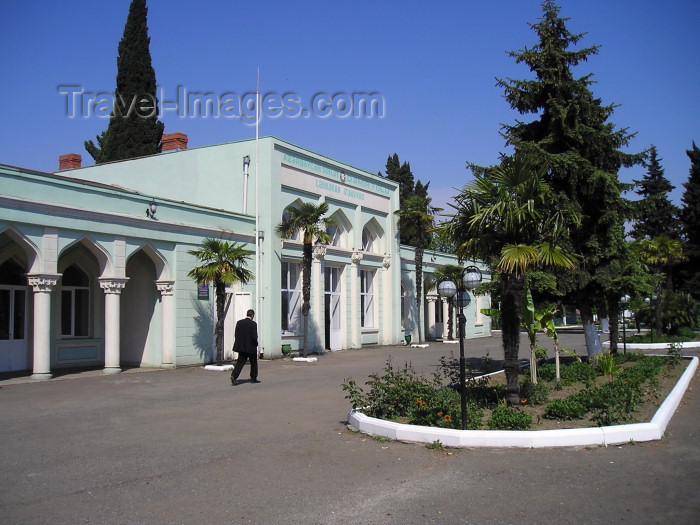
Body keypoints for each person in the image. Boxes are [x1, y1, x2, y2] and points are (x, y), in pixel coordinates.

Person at [230, 309, 260, 385]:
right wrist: (256, 343)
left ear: (247, 314)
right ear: (252, 315)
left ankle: (234, 376)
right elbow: (254, 336)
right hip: (251, 347)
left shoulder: (239, 323)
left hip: (242, 347)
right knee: (253, 363)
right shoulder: (253, 324)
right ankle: (253, 378)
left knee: (240, 363)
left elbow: (236, 335)